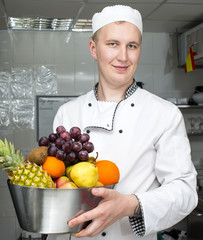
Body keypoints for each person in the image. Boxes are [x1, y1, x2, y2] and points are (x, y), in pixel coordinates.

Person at [51, 5, 198, 240]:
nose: (123, 56)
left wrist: (130, 205)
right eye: (112, 44)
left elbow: (185, 191)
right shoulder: (67, 113)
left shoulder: (164, 113)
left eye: (132, 46)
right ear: (93, 49)